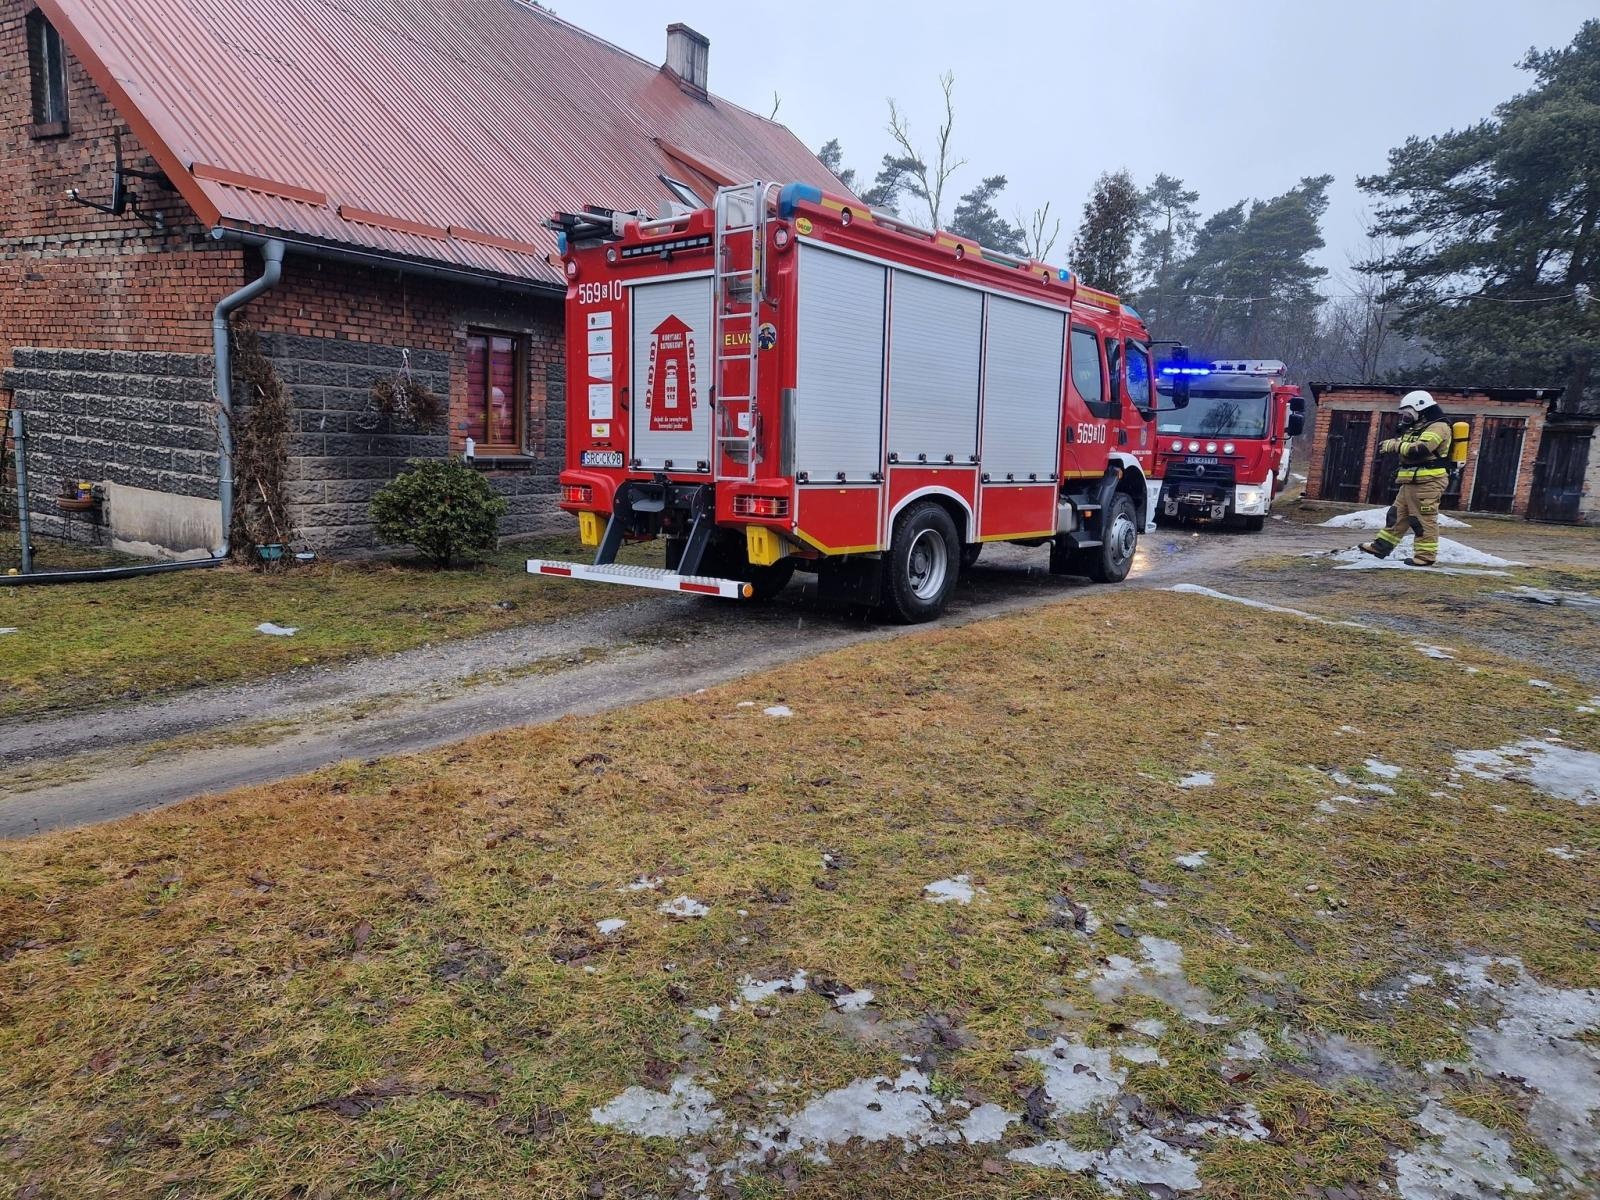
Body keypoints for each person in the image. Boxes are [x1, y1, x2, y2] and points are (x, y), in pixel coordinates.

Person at [1359, 391, 1454, 566]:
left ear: (1420, 408)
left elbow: (1421, 449)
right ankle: (1381, 546)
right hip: (1412, 480)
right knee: (1396, 515)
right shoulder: (1418, 427)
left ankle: (1425, 557)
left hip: (1428, 481)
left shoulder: (1438, 426)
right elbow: (1408, 445)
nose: (1406, 417)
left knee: (1422, 519)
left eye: (1408, 413)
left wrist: (1393, 445)